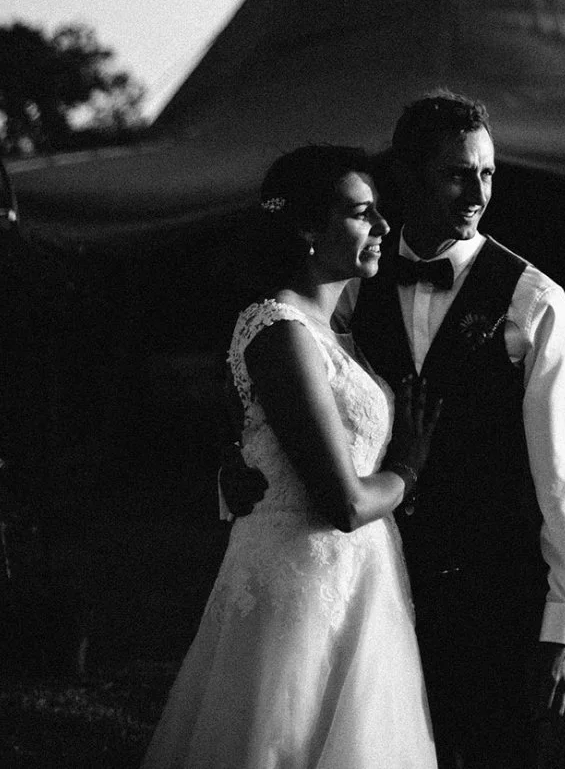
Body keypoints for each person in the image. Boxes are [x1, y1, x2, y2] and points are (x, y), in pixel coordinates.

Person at [142, 144, 439, 769]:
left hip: (358, 583)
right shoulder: (280, 329)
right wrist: (409, 466)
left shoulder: (336, 327)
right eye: (363, 214)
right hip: (298, 592)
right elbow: (346, 503)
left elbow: (250, 425)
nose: (384, 228)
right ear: (308, 227)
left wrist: (235, 455)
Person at [350, 91, 565, 769]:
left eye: (487, 173)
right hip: (374, 584)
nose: (476, 191)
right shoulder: (351, 287)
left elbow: (561, 474)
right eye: (458, 172)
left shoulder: (535, 301)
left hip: (494, 593)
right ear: (407, 172)